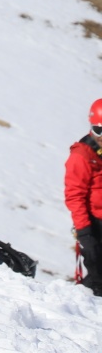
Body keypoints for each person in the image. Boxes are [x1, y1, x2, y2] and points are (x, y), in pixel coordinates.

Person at [64, 98, 102, 296]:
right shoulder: (82, 156)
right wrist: (85, 232)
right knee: (98, 279)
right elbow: (74, 196)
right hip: (94, 225)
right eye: (98, 131)